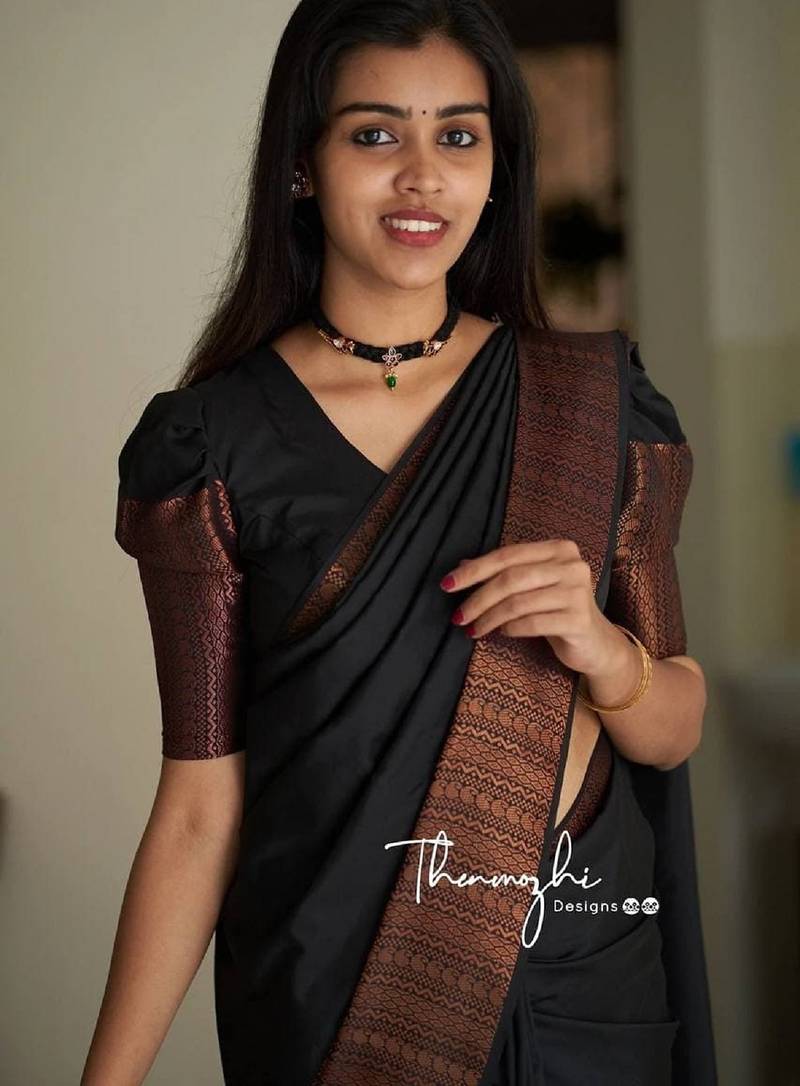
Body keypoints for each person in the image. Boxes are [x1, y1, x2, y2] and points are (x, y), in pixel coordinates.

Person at [84, 1, 718, 1084]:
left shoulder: (591, 405)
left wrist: (603, 652)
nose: (423, 176)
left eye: (458, 135)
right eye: (375, 133)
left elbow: (673, 728)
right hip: (336, 997)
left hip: (582, 985)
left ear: (496, 166)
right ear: (302, 163)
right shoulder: (212, 445)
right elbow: (198, 807)